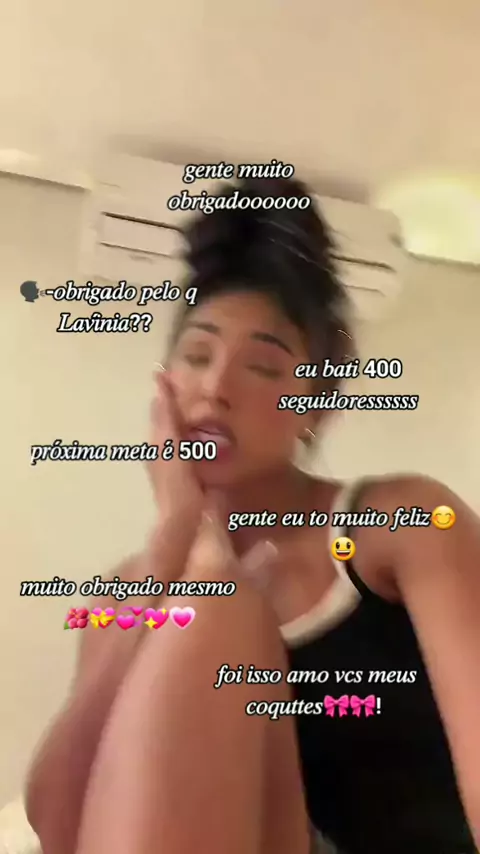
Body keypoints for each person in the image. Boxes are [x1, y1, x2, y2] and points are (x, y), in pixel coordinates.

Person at [25, 178, 480, 854]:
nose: (216, 388)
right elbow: (58, 823)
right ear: (164, 386)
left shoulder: (403, 523)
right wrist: (173, 546)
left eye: (263, 367)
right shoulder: (127, 592)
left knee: (218, 603)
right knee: (207, 599)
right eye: (197, 356)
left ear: (316, 403)